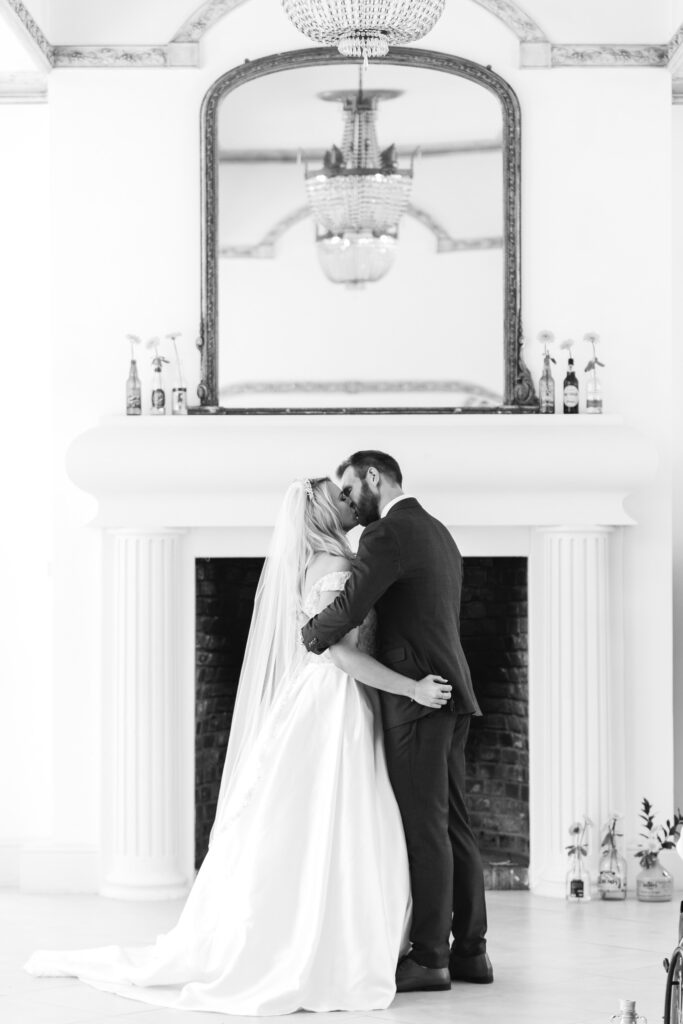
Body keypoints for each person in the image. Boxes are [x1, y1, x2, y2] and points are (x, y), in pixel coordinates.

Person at [25, 477, 453, 1016]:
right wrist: (412, 687)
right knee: (335, 820)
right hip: (335, 703)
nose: (352, 501)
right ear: (323, 512)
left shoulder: (317, 564)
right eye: (342, 498)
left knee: (321, 822)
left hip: (322, 699)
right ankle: (332, 944)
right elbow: (342, 656)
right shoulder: (338, 569)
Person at [301, 451, 492, 992]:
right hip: (452, 696)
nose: (348, 502)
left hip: (417, 704)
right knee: (454, 824)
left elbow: (353, 606)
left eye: (348, 489)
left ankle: (430, 957)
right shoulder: (439, 532)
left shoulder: (387, 536)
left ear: (373, 478)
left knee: (425, 830)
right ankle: (472, 952)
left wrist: (312, 635)